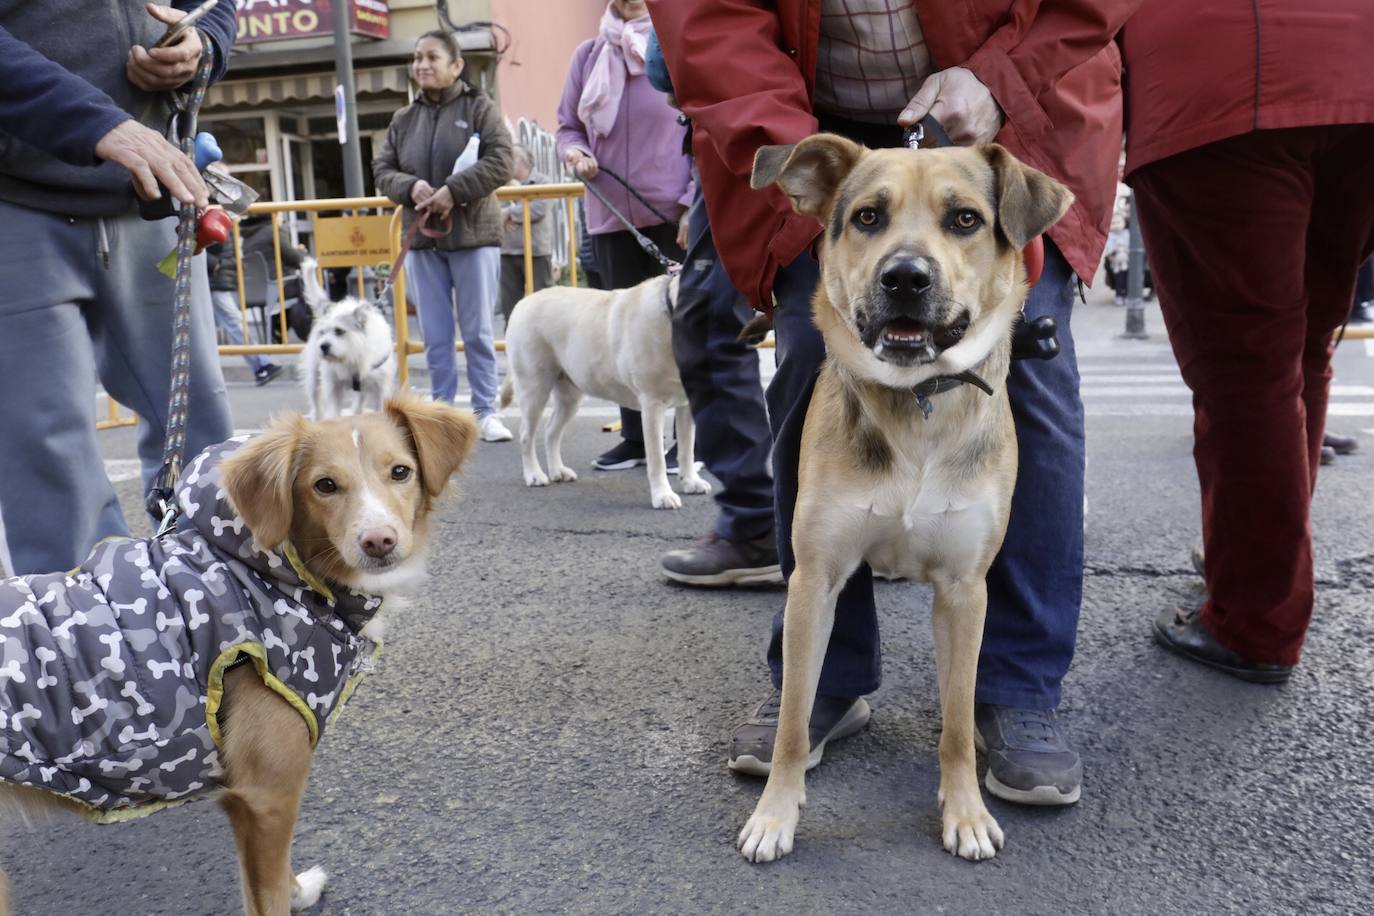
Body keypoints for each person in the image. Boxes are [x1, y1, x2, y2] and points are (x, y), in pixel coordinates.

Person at [651, 0, 1140, 805]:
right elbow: (709, 23)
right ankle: (822, 686)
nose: (911, 262)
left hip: (1018, 98)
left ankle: (1016, 688)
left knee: (1036, 372)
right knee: (810, 358)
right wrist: (818, 164)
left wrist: (1001, 76)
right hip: (817, 113)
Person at [1127, 1, 1374, 683]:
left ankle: (1255, 618)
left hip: (1222, 78)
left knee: (1246, 364)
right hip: (1358, 67)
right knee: (1303, 342)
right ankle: (1262, 564)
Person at [0, 1, 236, 575]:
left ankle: (223, 618)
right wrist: (95, 121)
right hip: (18, 199)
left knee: (203, 440)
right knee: (50, 455)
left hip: (153, 198)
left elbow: (215, 4)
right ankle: (85, 648)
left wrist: (203, 41)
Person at [642, 32, 780, 587]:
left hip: (751, 115)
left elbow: (673, 59)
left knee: (708, 325)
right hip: (736, 125)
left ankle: (757, 527)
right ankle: (774, 525)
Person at [557, 0, 692, 472]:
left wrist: (695, 200)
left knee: (681, 331)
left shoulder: (674, 44)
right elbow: (568, 127)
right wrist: (575, 154)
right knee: (619, 338)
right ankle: (636, 440)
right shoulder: (588, 55)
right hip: (610, 212)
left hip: (672, 211)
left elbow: (700, 125)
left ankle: (686, 445)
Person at [373, 29, 515, 443]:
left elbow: (502, 161)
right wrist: (409, 186)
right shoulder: (404, 118)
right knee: (434, 334)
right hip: (423, 241)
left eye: (432, 57)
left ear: (456, 65)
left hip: (473, 236)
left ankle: (486, 411)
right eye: (417, 57)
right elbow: (382, 170)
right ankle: (439, 412)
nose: (422, 65)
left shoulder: (480, 108)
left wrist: (455, 190)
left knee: (477, 332)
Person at [205, 237, 284, 385]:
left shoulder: (214, 216)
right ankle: (261, 363)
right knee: (231, 322)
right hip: (215, 277)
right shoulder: (220, 217)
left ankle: (262, 363)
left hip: (215, 278)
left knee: (232, 322)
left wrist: (212, 263)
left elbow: (212, 244)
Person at [498, 144, 555, 329]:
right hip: (508, 252)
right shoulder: (499, 184)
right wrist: (508, 214)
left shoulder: (542, 181)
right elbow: (493, 211)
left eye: (510, 157)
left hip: (536, 252)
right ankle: (511, 348)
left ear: (521, 161)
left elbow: (538, 209)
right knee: (510, 308)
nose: (504, 162)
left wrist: (508, 213)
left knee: (544, 306)